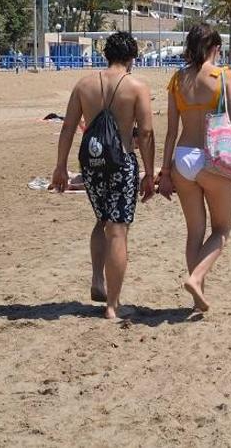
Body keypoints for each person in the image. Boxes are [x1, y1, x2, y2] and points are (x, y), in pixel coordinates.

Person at [49, 32, 156, 320]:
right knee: (118, 229)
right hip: (121, 163)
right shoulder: (136, 86)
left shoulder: (84, 85)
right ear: (131, 57)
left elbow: (68, 127)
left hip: (92, 163)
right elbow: (145, 132)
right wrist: (148, 171)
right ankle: (113, 305)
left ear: (105, 55)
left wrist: (60, 166)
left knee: (102, 220)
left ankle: (98, 280)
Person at [158, 24, 231, 313]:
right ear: (215, 48)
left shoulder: (177, 80)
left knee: (194, 231)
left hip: (183, 157)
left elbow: (171, 131)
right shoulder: (223, 77)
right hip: (211, 158)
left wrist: (165, 172)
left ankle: (197, 292)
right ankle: (197, 278)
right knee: (222, 229)